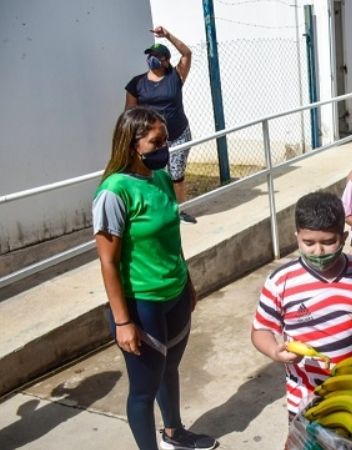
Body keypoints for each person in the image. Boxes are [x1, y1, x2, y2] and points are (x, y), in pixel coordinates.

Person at [93, 107, 217, 450]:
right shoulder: (114, 193)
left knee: (170, 368)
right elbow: (108, 262)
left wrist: (188, 283)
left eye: (166, 139)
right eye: (156, 141)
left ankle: (174, 433)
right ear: (133, 145)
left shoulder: (161, 179)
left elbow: (171, 241)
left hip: (175, 293)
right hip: (142, 303)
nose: (165, 147)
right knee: (144, 387)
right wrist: (122, 322)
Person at [250, 191, 352, 419]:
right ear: (297, 236)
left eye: (329, 242)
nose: (318, 251)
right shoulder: (281, 281)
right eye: (308, 243)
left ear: (344, 236)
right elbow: (260, 330)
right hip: (304, 398)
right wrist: (273, 351)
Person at [125, 26, 196, 223]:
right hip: (153, 139)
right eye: (150, 55)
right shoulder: (136, 83)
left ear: (165, 60)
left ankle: (179, 210)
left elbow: (187, 53)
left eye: (157, 56)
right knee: (156, 174)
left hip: (178, 133)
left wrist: (167, 35)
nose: (152, 58)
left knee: (176, 173)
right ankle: (161, 209)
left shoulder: (175, 76)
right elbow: (129, 113)